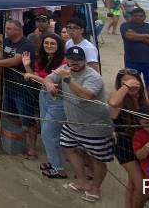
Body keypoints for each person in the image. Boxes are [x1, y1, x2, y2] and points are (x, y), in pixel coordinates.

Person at [44, 46, 114, 203]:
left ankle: (96, 188)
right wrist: (49, 84)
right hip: (72, 123)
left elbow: (86, 95)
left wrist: (68, 79)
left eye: (79, 60)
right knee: (67, 147)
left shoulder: (93, 76)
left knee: (98, 159)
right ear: (67, 59)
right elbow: (49, 78)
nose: (74, 62)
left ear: (85, 60)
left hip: (95, 126)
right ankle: (82, 181)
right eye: (71, 59)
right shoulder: (64, 69)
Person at [0, 20, 38, 160]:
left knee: (28, 120)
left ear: (18, 30)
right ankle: (14, 141)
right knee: (11, 116)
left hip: (23, 88)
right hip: (8, 85)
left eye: (10, 29)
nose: (7, 31)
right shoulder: (6, 41)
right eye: (7, 28)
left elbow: (16, 60)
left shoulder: (26, 44)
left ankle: (32, 149)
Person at [22, 33, 67, 178]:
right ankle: (53, 162)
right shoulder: (42, 58)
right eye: (46, 43)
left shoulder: (64, 62)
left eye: (53, 43)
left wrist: (32, 76)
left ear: (59, 46)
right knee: (48, 132)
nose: (49, 46)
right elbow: (34, 78)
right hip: (44, 95)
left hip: (58, 99)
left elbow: (55, 85)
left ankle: (59, 169)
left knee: (49, 133)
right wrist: (27, 66)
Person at [108, 69, 149, 208]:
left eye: (134, 81)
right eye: (125, 82)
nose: (131, 84)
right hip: (125, 146)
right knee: (143, 187)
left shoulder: (141, 100)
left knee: (133, 183)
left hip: (141, 145)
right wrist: (127, 86)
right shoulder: (119, 100)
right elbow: (113, 102)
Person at [121, 8, 149, 102]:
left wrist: (137, 36)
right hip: (132, 60)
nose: (138, 17)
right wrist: (147, 36)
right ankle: (134, 102)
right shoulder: (125, 25)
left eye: (140, 16)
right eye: (135, 16)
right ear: (131, 16)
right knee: (131, 83)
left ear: (144, 16)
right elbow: (129, 36)